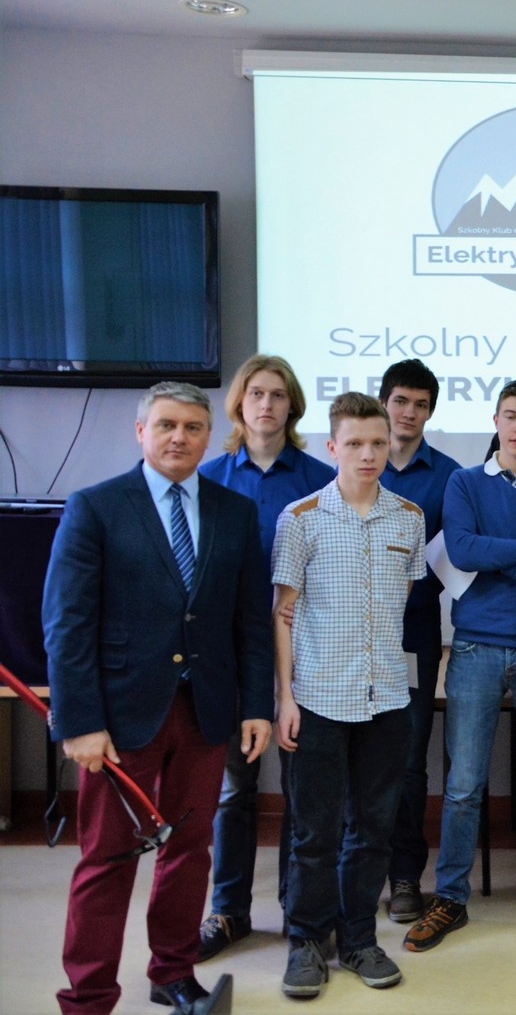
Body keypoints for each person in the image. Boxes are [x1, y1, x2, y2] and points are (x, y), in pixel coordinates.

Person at [43, 381, 273, 1015]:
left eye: (193, 427)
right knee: (107, 858)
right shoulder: (95, 506)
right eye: (167, 425)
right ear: (141, 432)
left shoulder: (234, 512)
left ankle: (173, 973)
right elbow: (66, 623)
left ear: (209, 436)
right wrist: (79, 721)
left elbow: (250, 622)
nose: (180, 437)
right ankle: (88, 996)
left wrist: (256, 704)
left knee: (190, 852)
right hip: (118, 721)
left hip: (206, 713)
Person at [404, 381, 516, 953]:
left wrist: (507, 555)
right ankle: (451, 898)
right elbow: (464, 551)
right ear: (495, 420)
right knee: (462, 786)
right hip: (475, 648)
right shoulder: (465, 481)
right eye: (511, 416)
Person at [273, 392, 426, 998]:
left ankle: (359, 938)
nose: (368, 454)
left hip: (386, 699)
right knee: (314, 834)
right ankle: (307, 942)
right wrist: (285, 698)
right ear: (331, 447)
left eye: (378, 442)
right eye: (355, 443)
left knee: (373, 831)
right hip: (317, 698)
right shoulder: (301, 517)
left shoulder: (409, 518)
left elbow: (402, 603)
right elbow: (283, 613)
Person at [197, 355, 334, 962]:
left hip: (304, 651)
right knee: (235, 789)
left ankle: (299, 914)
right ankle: (228, 910)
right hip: (229, 655)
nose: (267, 404)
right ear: (239, 403)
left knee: (305, 793)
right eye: (257, 393)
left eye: (278, 395)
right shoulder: (208, 478)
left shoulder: (319, 478)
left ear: (292, 406)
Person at [375, 359, 463, 924]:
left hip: (413, 635)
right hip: (348, 637)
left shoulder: (450, 476)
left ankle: (405, 875)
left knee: (408, 759)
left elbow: (455, 561)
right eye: (401, 401)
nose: (409, 413)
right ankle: (358, 871)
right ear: (384, 402)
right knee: (354, 756)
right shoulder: (358, 459)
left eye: (421, 404)